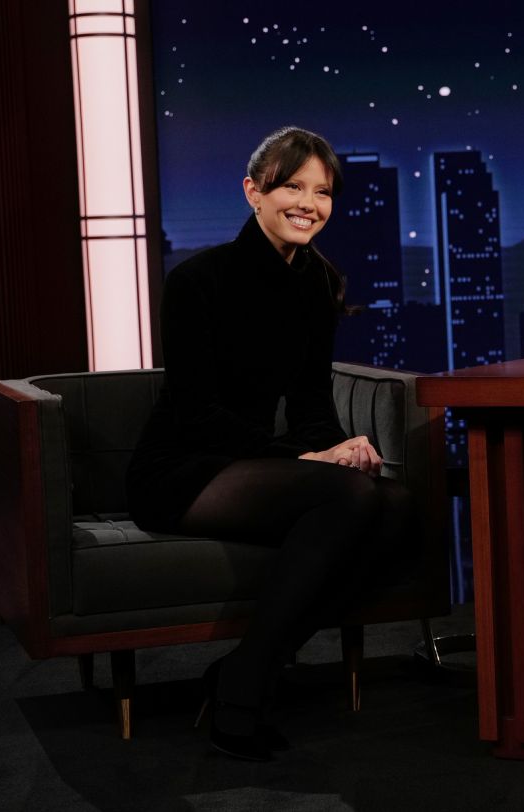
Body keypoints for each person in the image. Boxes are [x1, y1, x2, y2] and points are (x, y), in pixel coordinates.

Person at [126, 126, 409, 761]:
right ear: (253, 192)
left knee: (393, 504)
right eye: (292, 187)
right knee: (348, 500)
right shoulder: (197, 280)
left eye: (322, 192)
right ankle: (242, 698)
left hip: (251, 463)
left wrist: (342, 447)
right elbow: (195, 410)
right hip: (180, 466)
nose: (309, 203)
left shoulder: (316, 283)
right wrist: (301, 459)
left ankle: (242, 669)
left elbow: (309, 404)